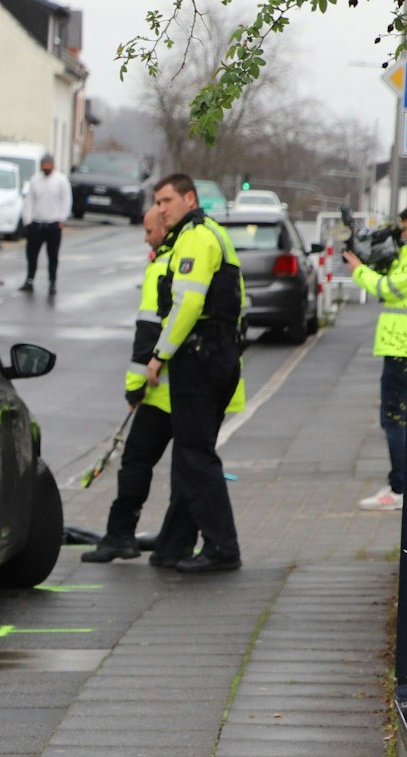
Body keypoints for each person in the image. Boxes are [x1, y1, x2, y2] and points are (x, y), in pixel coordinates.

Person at [82, 206, 246, 564]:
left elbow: (149, 331)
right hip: (201, 376)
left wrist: (134, 385)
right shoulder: (207, 244)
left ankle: (122, 534)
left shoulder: (167, 264)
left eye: (149, 231)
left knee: (142, 460)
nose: (147, 238)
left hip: (167, 386)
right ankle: (174, 543)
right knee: (187, 465)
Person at [144, 173, 247, 574]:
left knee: (194, 455)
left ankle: (223, 547)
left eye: (167, 200)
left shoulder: (196, 237)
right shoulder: (210, 234)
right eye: (157, 201)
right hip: (216, 354)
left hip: (200, 356)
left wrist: (159, 355)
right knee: (191, 454)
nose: (161, 209)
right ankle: (173, 544)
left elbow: (187, 304)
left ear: (189, 198)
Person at [346, 201, 407, 512]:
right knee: (397, 419)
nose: (403, 234)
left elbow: (389, 288)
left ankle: (400, 488)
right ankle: (401, 484)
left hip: (403, 347)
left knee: (395, 420)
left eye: (406, 227)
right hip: (400, 346)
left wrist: (358, 271)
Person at [18, 154, 71, 295]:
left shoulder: (61, 180)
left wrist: (62, 219)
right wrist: (27, 221)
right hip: (37, 224)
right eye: (44, 164)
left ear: (53, 165)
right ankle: (29, 280)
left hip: (53, 224)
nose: (46, 166)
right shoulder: (35, 180)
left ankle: (52, 282)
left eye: (48, 164)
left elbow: (66, 200)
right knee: (31, 254)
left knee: (52, 255)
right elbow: (29, 201)